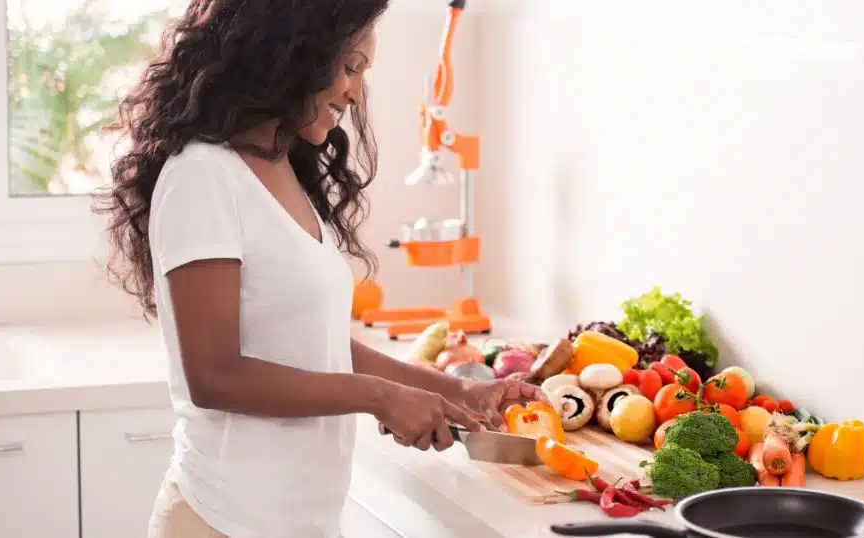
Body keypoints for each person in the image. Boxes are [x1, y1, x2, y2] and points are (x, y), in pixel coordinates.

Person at [92, 1, 547, 536]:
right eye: (349, 67)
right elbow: (213, 377)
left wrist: (457, 393)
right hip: (224, 522)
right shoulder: (203, 176)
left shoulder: (281, 168)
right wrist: (378, 396)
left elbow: (315, 344)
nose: (355, 94)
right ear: (292, 51)